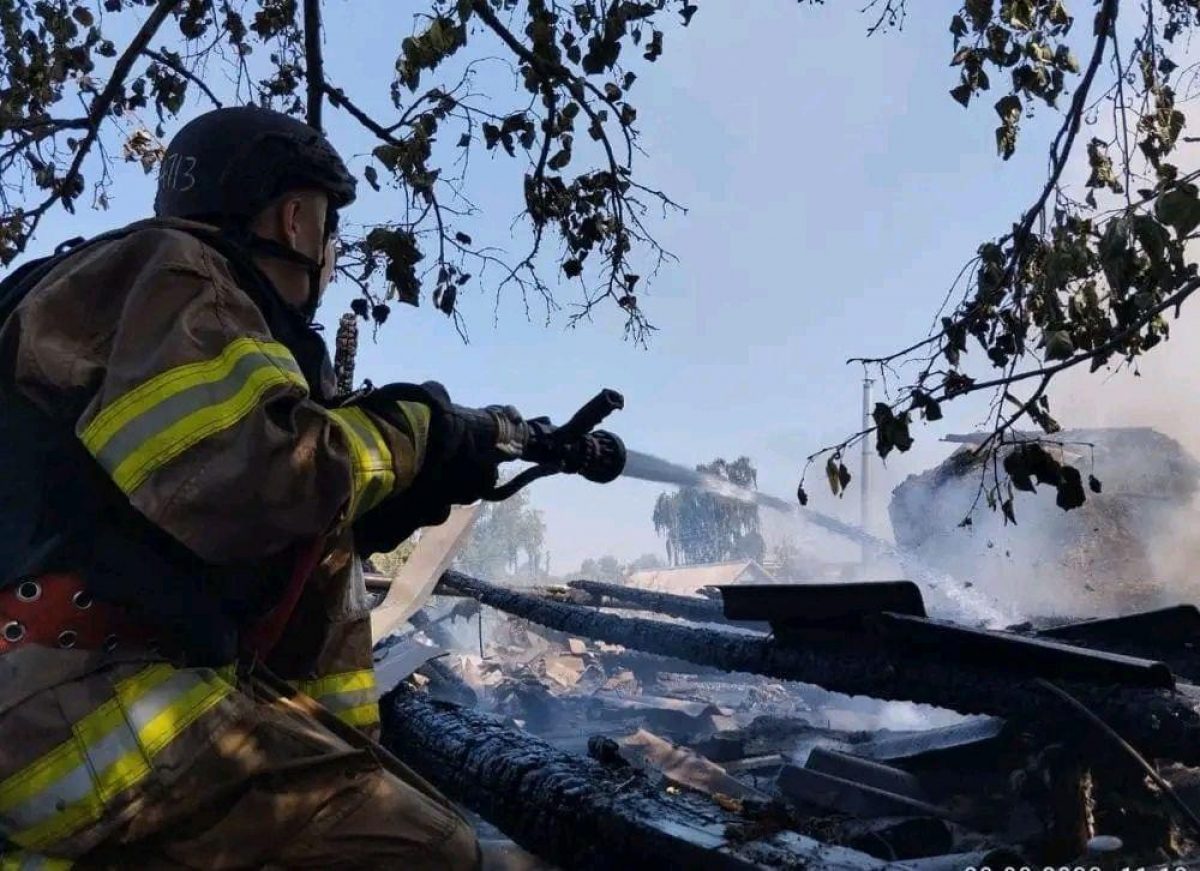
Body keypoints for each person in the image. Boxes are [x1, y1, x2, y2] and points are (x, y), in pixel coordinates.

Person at [0, 106, 512, 868]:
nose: (329, 259)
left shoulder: (113, 294)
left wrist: (350, 521)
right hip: (74, 712)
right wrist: (417, 436)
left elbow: (192, 519)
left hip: (55, 719)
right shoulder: (183, 274)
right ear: (296, 219)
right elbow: (264, 472)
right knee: (433, 852)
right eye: (329, 230)